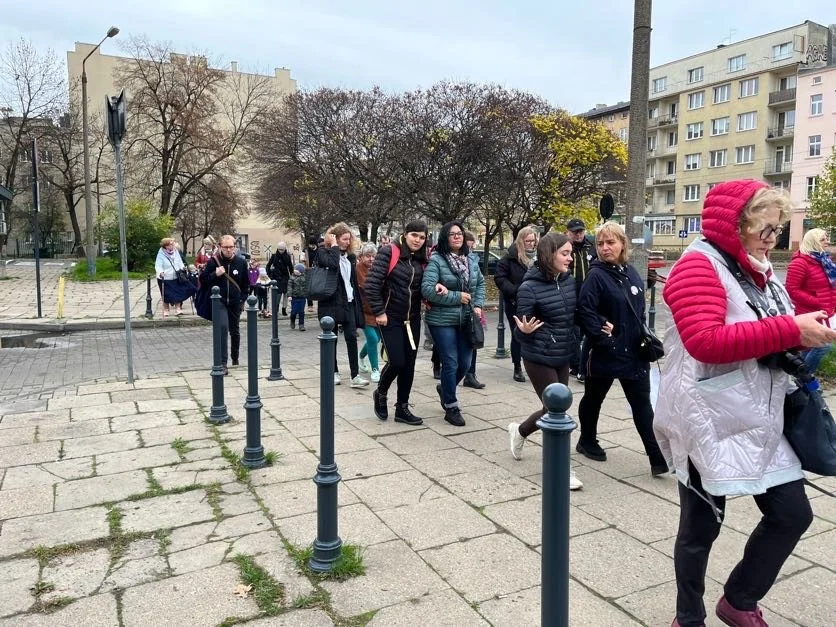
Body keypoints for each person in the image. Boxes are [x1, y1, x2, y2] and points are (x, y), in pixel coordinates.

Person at [653, 180, 836, 627]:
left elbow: (767, 331)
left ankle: (738, 599)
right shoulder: (698, 266)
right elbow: (705, 341)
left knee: (792, 514)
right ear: (736, 225)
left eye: (777, 232)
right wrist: (792, 331)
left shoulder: (756, 269)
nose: (772, 242)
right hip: (705, 417)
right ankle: (687, 617)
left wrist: (805, 329)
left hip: (759, 413)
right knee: (701, 527)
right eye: (765, 231)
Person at [576, 221, 667, 475]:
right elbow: (585, 310)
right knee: (594, 399)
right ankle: (587, 440)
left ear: (622, 244)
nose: (605, 248)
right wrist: (604, 338)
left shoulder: (630, 272)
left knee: (642, 406)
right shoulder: (596, 275)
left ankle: (657, 458)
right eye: (601, 244)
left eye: (611, 242)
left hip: (634, 353)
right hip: (605, 351)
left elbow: (636, 309)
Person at [506, 233, 583, 490]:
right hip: (538, 356)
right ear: (549, 255)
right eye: (565, 253)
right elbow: (520, 329)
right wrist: (523, 331)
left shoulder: (569, 281)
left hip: (563, 354)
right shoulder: (529, 287)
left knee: (554, 409)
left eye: (570, 253)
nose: (570, 258)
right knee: (557, 411)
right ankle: (562, 468)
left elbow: (576, 315)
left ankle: (520, 431)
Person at [422, 220, 486, 427]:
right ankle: (451, 406)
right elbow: (428, 290)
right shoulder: (437, 260)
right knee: (450, 362)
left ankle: (445, 388)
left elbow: (481, 284)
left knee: (465, 363)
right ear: (444, 238)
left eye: (459, 233)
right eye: (452, 234)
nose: (457, 237)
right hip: (442, 320)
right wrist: (456, 297)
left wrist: (477, 305)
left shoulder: (471, 260)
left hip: (466, 319)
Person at [365, 221, 429, 425]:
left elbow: (420, 288)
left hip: (413, 319)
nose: (418, 240)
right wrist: (379, 311)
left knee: (409, 365)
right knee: (397, 361)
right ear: (405, 234)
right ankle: (381, 393)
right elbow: (372, 284)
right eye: (414, 235)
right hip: (390, 318)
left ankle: (402, 407)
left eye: (421, 237)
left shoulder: (422, 259)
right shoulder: (388, 252)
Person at [315, 223, 369, 388]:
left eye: (349, 239)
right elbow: (332, 264)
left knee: (352, 338)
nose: (348, 241)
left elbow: (352, 281)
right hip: (330, 303)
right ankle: (333, 372)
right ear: (335, 239)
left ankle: (355, 375)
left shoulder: (350, 257)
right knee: (332, 339)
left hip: (348, 302)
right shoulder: (323, 253)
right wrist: (333, 246)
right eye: (344, 239)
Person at [785, 228, 836, 375]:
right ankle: (804, 375)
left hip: (825, 312)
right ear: (813, 242)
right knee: (823, 345)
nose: (827, 241)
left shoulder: (824, 261)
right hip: (808, 312)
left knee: (810, 346)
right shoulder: (800, 262)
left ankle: (800, 375)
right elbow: (792, 289)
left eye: (826, 238)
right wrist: (818, 302)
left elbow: (830, 287)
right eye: (823, 239)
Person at [495, 225, 539, 383]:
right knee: (518, 334)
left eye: (533, 241)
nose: (530, 244)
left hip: (537, 301)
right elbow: (500, 278)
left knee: (536, 331)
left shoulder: (539, 257)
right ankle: (517, 366)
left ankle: (535, 363)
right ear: (521, 241)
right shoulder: (510, 257)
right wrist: (515, 291)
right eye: (527, 241)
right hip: (516, 301)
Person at [200, 235, 249, 374]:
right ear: (220, 247)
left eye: (231, 247)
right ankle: (223, 363)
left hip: (235, 302)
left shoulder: (241, 262)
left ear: (235, 247)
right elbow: (203, 280)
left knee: (235, 330)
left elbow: (246, 284)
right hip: (219, 301)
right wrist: (215, 274)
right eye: (225, 247)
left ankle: (235, 356)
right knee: (222, 327)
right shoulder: (213, 262)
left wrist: (242, 299)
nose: (228, 250)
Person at [567, 218, 597, 381]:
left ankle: (583, 365)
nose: (578, 234)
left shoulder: (591, 247)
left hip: (590, 296)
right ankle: (577, 366)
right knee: (573, 334)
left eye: (581, 231)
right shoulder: (565, 248)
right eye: (575, 232)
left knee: (588, 332)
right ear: (569, 233)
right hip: (571, 295)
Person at [356, 243, 382, 383]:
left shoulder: (379, 268)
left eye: (373, 256)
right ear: (362, 257)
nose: (371, 259)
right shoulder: (358, 269)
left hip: (378, 309)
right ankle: (375, 369)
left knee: (377, 339)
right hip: (364, 309)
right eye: (368, 256)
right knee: (372, 338)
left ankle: (361, 356)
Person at [155, 237, 192, 317]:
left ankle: (178, 309)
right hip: (165, 277)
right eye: (171, 244)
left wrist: (183, 268)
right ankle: (166, 310)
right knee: (165, 294)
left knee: (177, 292)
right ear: (166, 246)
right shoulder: (161, 253)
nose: (173, 245)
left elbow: (179, 261)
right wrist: (160, 272)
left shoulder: (175, 251)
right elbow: (158, 265)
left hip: (175, 276)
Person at [266, 242, 294, 317]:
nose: (281, 251)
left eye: (282, 250)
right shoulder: (274, 256)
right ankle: (276, 308)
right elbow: (268, 265)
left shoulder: (287, 256)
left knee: (285, 294)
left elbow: (290, 267)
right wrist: (269, 275)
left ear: (285, 249)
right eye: (279, 249)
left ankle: (284, 309)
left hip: (285, 277)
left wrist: (292, 276)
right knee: (277, 294)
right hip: (276, 278)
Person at [288, 263, 307, 331]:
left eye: (297, 270)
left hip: (302, 297)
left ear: (301, 271)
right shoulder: (291, 278)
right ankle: (292, 320)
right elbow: (289, 287)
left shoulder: (304, 277)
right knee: (294, 311)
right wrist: (289, 295)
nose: (295, 271)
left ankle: (301, 325)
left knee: (301, 311)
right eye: (295, 269)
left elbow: (307, 286)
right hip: (294, 297)